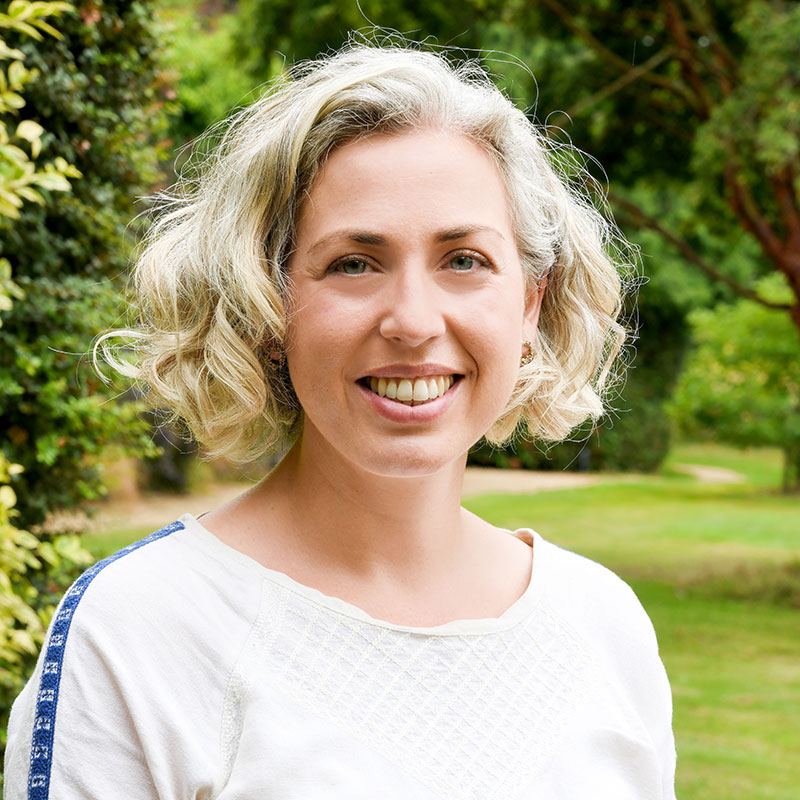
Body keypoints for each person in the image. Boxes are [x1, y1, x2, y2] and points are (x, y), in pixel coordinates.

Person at [4, 41, 677, 799]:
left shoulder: (603, 626)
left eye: (464, 260)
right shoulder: (142, 630)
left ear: (529, 303)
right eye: (354, 264)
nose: (414, 322)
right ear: (266, 303)